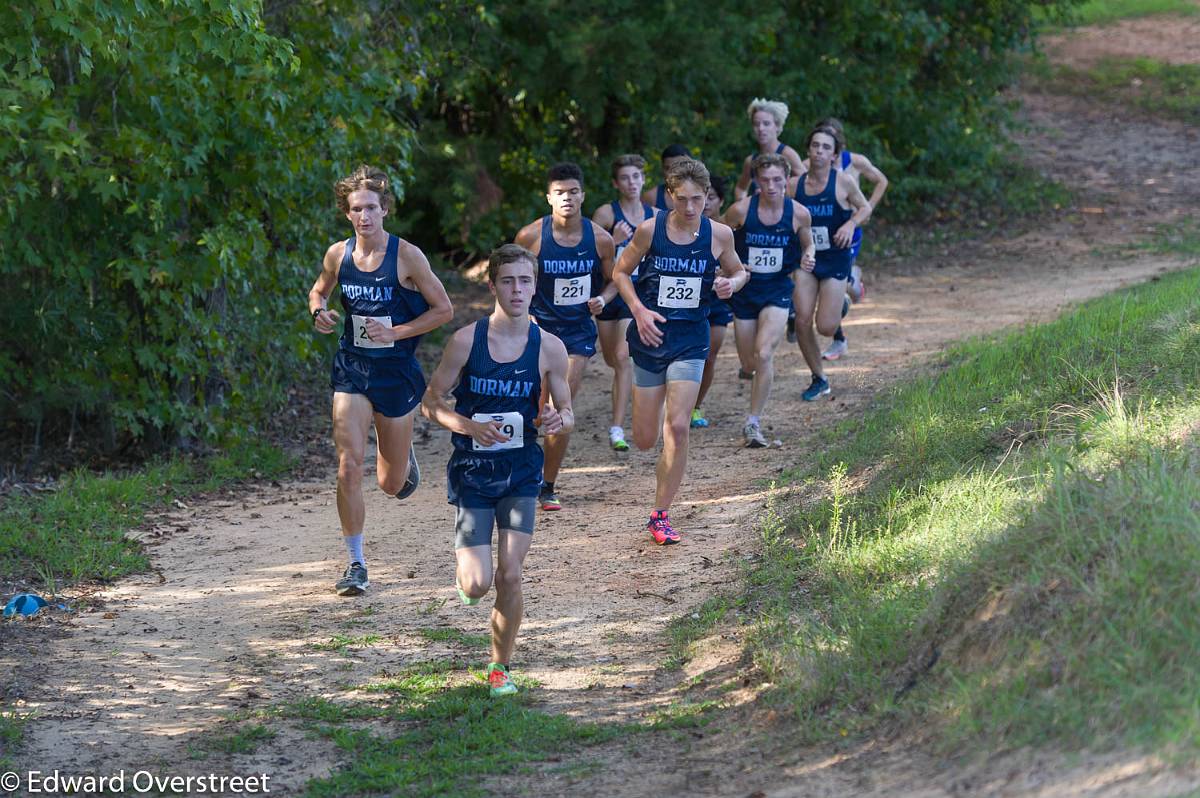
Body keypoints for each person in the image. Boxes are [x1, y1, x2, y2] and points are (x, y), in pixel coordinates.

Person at [421, 243, 573, 698]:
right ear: (492, 286)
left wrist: (555, 420)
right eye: (508, 281)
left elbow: (568, 412)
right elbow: (430, 403)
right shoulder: (467, 340)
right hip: (472, 471)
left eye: (525, 280)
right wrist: (465, 425)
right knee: (477, 582)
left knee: (510, 573)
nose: (517, 289)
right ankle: (468, 578)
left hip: (522, 471)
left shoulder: (549, 347)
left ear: (535, 285)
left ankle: (500, 668)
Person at [309, 165, 453, 596]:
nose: (364, 215)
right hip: (352, 369)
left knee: (390, 485)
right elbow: (319, 291)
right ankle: (355, 562)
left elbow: (443, 310)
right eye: (356, 209)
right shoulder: (338, 254)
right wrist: (319, 312)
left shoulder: (407, 256)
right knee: (348, 465)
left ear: (384, 209)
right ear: (348, 214)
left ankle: (402, 456)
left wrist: (398, 333)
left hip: (396, 375)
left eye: (371, 207)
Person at [614, 159, 748, 544]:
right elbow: (620, 273)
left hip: (691, 339)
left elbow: (740, 271)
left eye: (698, 200)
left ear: (708, 197)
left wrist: (731, 285)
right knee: (643, 438)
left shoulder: (719, 234)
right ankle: (652, 433)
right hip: (651, 337)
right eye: (683, 199)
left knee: (676, 427)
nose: (691, 209)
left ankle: (660, 514)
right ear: (669, 195)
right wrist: (638, 311)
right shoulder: (650, 229)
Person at [514, 162, 615, 510]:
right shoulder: (531, 237)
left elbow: (615, 279)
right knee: (535, 410)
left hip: (577, 335)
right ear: (549, 198)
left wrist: (604, 297)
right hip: (538, 330)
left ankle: (547, 485)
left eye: (573, 192)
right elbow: (513, 278)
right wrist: (521, 314)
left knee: (560, 407)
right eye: (560, 193)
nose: (567, 198)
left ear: (583, 195)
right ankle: (522, 470)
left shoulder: (600, 239)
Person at [723, 153, 815, 447]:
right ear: (756, 181)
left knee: (764, 355)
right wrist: (733, 265)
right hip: (746, 291)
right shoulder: (739, 211)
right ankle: (751, 374)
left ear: (786, 180)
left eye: (777, 180)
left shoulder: (799, 213)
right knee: (749, 362)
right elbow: (718, 239)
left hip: (777, 289)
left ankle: (753, 423)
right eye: (765, 180)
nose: (771, 186)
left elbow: (807, 240)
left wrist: (809, 254)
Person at [789, 125, 872, 401]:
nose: (820, 151)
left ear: (835, 154)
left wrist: (850, 224)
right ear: (808, 150)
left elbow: (865, 208)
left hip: (836, 255)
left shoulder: (843, 182)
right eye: (815, 146)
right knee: (801, 320)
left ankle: (848, 288)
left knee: (825, 327)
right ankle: (819, 377)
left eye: (826, 147)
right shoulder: (794, 185)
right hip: (807, 259)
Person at [808, 117, 889, 360]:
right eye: (818, 141)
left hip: (848, 230)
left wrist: (868, 208)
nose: (822, 148)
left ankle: (853, 282)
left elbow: (881, 181)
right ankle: (839, 336)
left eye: (829, 141)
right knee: (831, 289)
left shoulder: (855, 161)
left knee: (836, 288)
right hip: (820, 233)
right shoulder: (809, 163)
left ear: (838, 144)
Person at [592, 154, 657, 451]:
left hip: (638, 296)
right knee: (611, 359)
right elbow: (588, 253)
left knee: (621, 357)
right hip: (609, 293)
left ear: (643, 179)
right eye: (625, 178)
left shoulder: (655, 215)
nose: (632, 183)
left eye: (636, 177)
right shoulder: (606, 214)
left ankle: (617, 427)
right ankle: (621, 408)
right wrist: (614, 240)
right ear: (615, 183)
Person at [691, 175, 733, 429]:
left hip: (716, 303)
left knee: (708, 357)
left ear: (721, 201)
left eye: (712, 197)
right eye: (702, 197)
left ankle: (695, 406)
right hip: (686, 303)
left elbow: (740, 267)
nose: (706, 203)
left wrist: (726, 276)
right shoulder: (681, 228)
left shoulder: (727, 231)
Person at [733, 98, 805, 202]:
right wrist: (744, 205)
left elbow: (806, 184)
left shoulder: (787, 154)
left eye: (766, 123)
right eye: (756, 124)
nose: (761, 128)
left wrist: (782, 194)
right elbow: (740, 188)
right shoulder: (751, 161)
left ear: (777, 126)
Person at [642, 144, 692, 211]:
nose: (673, 172)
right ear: (662, 169)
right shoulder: (651, 197)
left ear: (690, 167)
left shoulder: (702, 195)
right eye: (668, 168)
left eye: (678, 167)